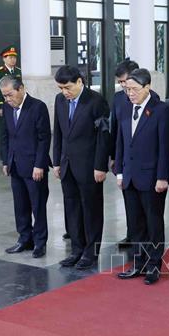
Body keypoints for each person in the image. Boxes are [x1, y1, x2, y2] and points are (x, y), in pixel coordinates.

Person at [115, 69, 169, 285]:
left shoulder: (162, 110)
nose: (129, 93)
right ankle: (138, 263)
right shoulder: (124, 107)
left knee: (153, 223)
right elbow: (120, 142)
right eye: (127, 89)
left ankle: (154, 265)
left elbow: (165, 147)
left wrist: (162, 177)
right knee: (135, 224)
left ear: (147, 87)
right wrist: (120, 171)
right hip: (130, 176)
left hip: (151, 178)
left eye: (134, 89)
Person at [52, 66, 110, 270]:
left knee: (91, 209)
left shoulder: (96, 101)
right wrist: (56, 162)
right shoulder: (60, 101)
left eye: (67, 87)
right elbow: (58, 132)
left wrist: (100, 165)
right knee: (72, 208)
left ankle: (90, 253)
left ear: (79, 82)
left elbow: (104, 137)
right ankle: (76, 249)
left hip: (89, 166)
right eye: (60, 88)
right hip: (67, 165)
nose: (64, 92)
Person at [0, 76, 51, 259]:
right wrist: (5, 161)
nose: (7, 99)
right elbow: (4, 136)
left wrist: (39, 165)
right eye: (4, 96)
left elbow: (44, 139)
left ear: (21, 88)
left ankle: (39, 242)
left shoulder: (37, 107)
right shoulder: (6, 108)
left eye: (10, 94)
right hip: (14, 164)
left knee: (38, 206)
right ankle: (24, 239)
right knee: (20, 206)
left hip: (34, 166)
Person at [110, 59, 159, 248]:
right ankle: (132, 234)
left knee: (147, 208)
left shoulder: (152, 100)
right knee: (129, 202)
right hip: (124, 159)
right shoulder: (117, 99)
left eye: (126, 82)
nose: (124, 87)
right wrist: (114, 157)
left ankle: (146, 241)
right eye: (121, 83)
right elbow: (115, 130)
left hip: (145, 163)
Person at [0, 45, 21, 122]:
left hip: (17, 104)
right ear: (4, 58)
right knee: (4, 128)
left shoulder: (18, 71)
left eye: (14, 57)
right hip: (5, 104)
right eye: (10, 58)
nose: (13, 60)